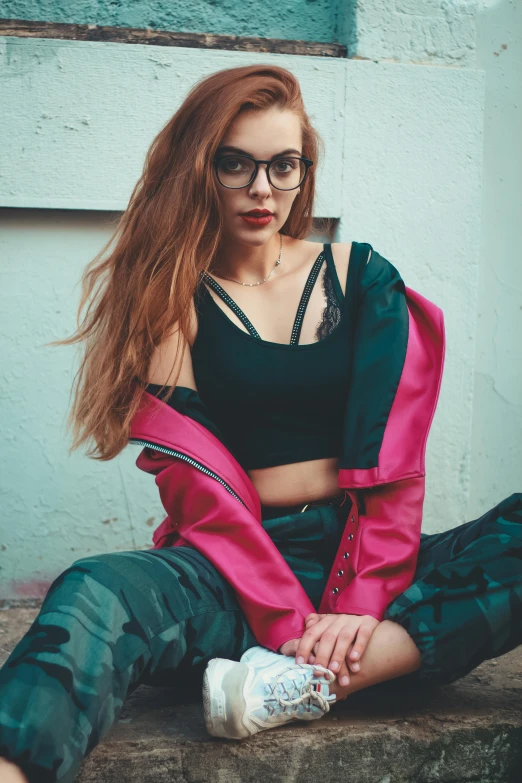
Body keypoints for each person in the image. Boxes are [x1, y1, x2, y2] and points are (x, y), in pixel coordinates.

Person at [1, 63, 521, 782]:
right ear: (200, 168)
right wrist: (289, 624)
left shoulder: (362, 277)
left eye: (284, 166)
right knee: (94, 587)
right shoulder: (173, 297)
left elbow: (392, 462)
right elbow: (198, 495)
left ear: (306, 170)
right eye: (236, 164)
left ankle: (310, 682)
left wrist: (360, 607)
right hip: (233, 569)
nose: (262, 189)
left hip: (362, 557)